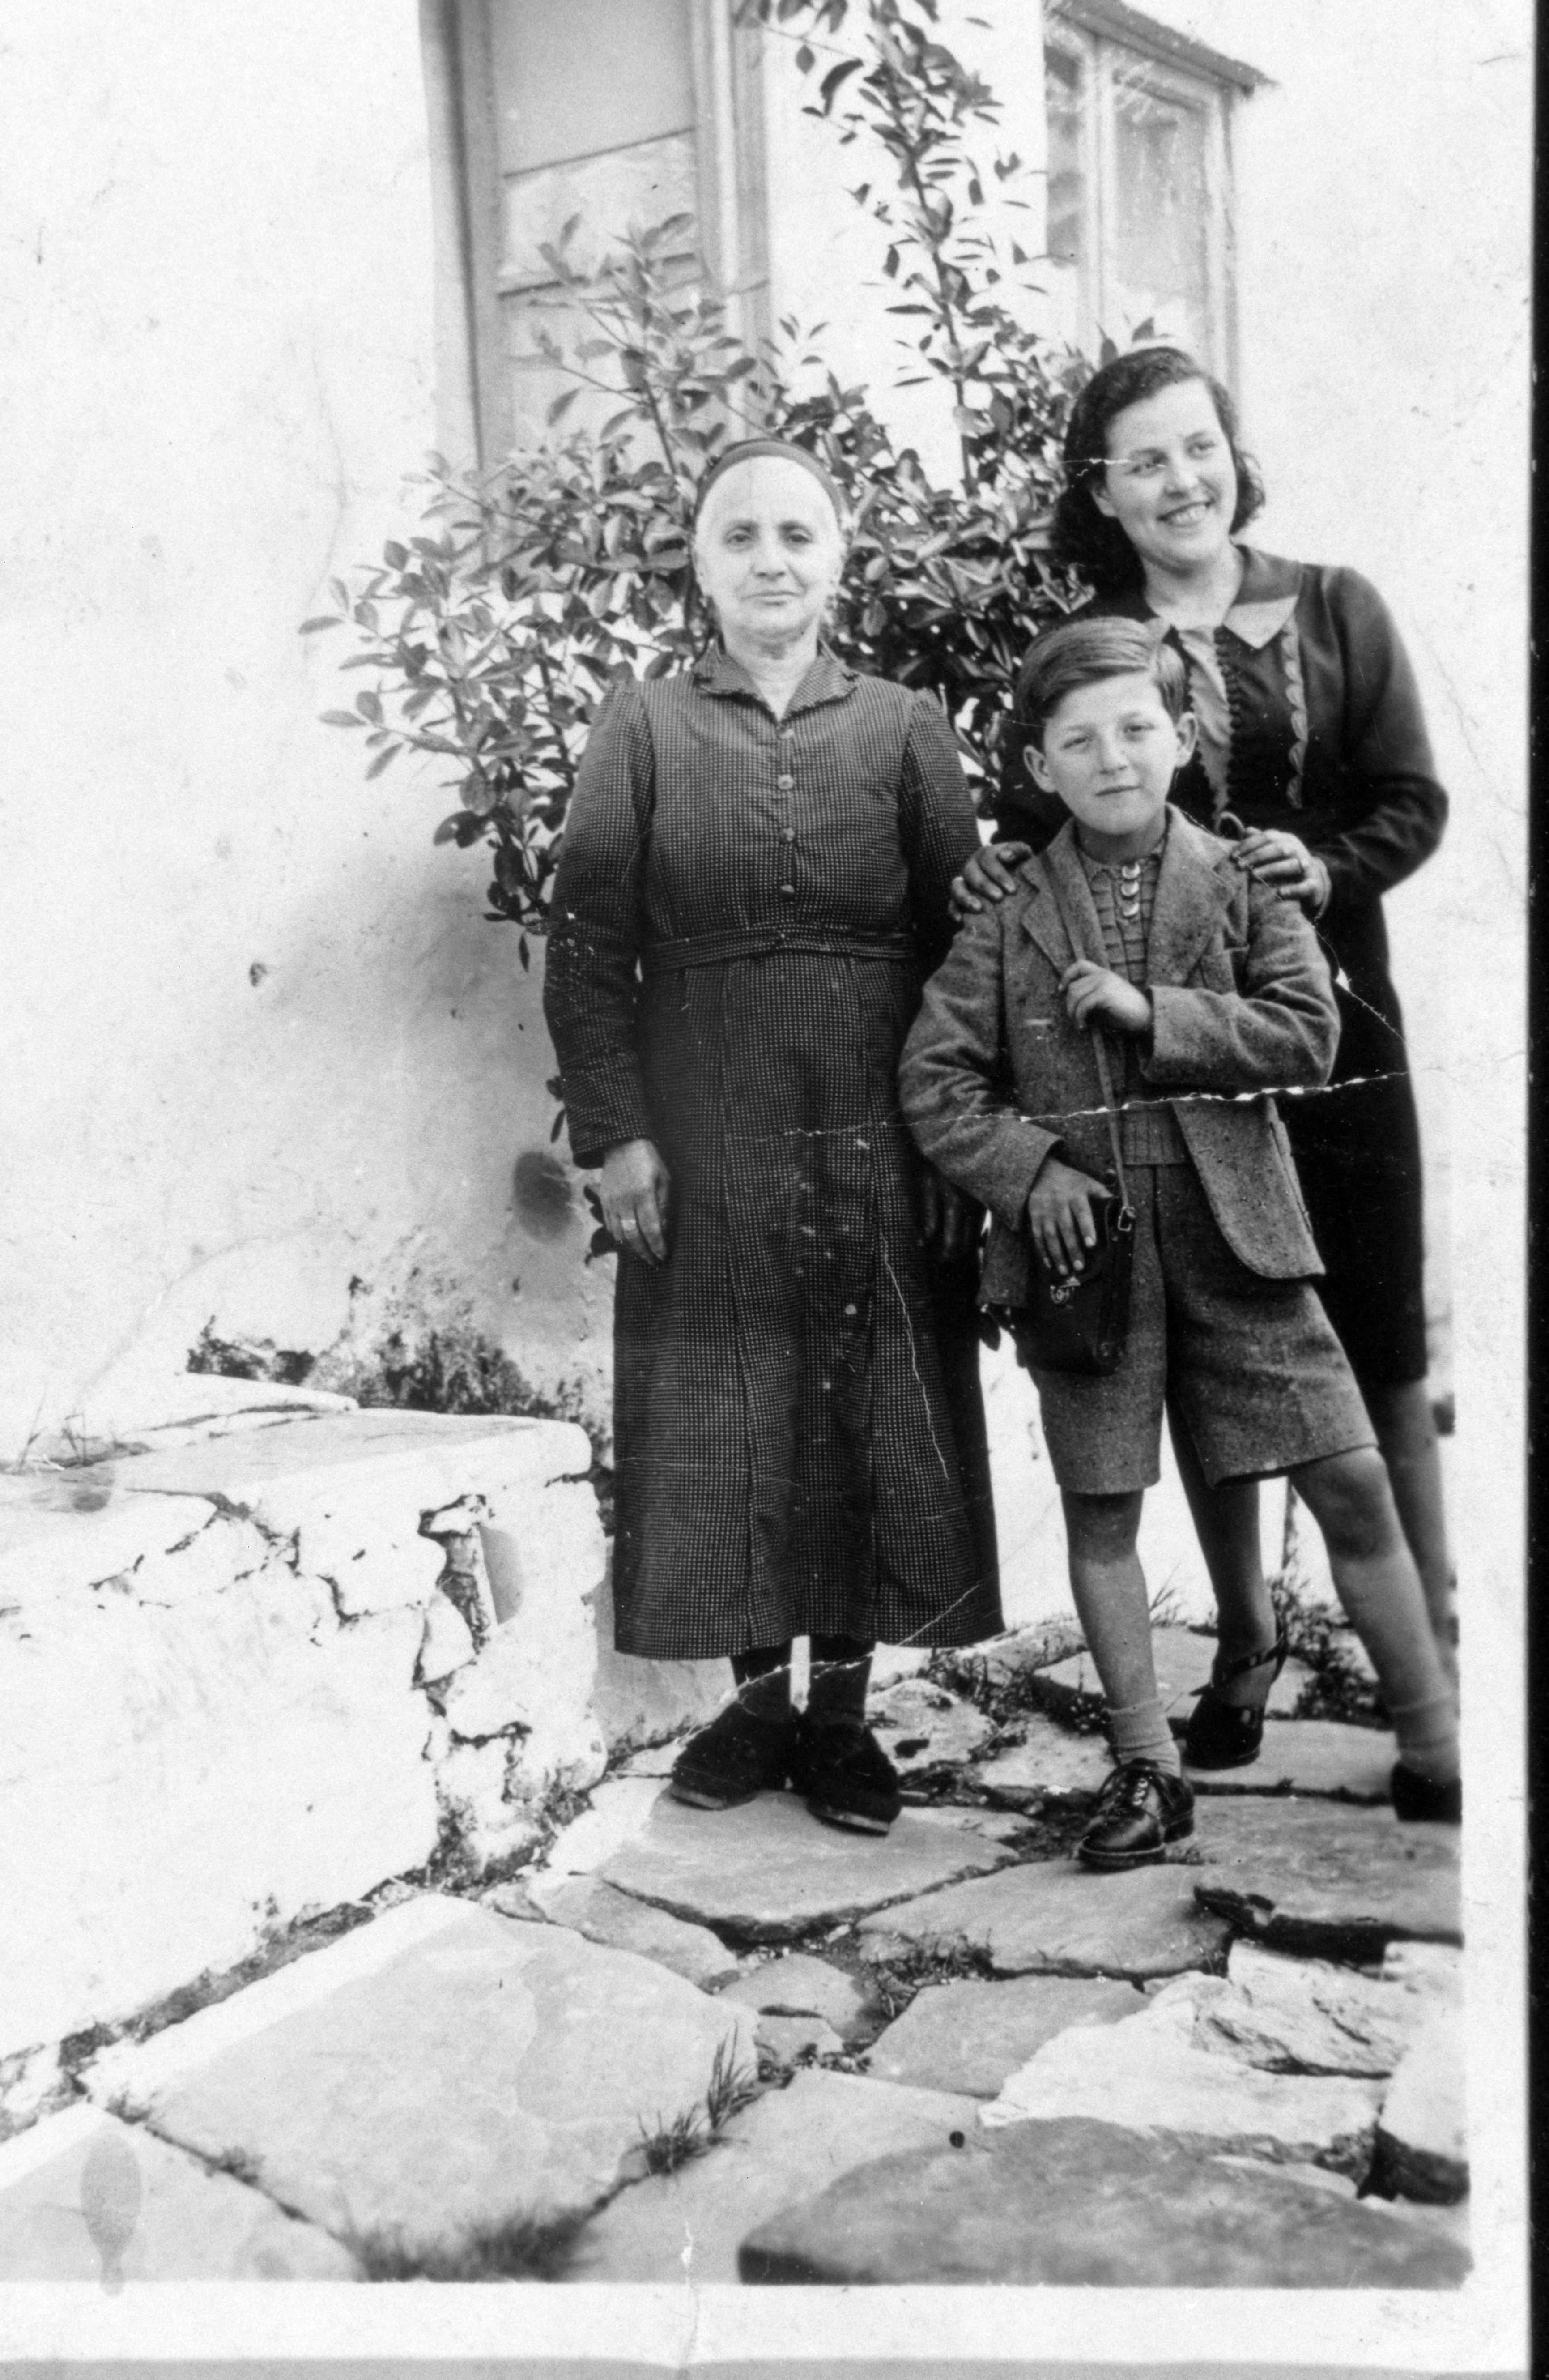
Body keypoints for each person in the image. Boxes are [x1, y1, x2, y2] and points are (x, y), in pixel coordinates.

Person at [955, 345, 1455, 1760]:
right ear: (1103, 490)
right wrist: (992, 873)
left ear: (1233, 451)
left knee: (1371, 1331)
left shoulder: (1337, 605)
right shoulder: (1095, 648)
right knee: (1203, 1339)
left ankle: (1429, 1660)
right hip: (1154, 1073)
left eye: (1199, 446)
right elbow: (1039, 829)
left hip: (1326, 1024)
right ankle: (1246, 1642)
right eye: (1145, 461)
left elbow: (1414, 800)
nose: (1181, 480)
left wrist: (1326, 867)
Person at [900, 618, 1460, 1868]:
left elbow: (1309, 1032)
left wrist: (1158, 1013)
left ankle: (1439, 1745)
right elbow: (936, 1081)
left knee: (1350, 1475)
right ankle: (1148, 1767)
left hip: (1239, 1230)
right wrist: (1031, 1171)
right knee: (1103, 1504)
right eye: (1079, 741)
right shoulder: (1007, 912)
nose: (1113, 759)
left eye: (1137, 729)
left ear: (1185, 736)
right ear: (1037, 768)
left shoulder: (1244, 878)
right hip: (1085, 1254)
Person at [543, 436, 1004, 1838]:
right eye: (738, 536)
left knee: (866, 1392)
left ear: (840, 558)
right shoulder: (643, 727)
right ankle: (756, 1707)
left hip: (878, 1116)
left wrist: (957, 1140)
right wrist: (618, 1136)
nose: (770, 561)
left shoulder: (905, 727)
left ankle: (844, 1718)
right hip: (705, 1121)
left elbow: (967, 954)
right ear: (699, 565)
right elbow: (587, 945)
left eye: (798, 534)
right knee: (728, 1395)